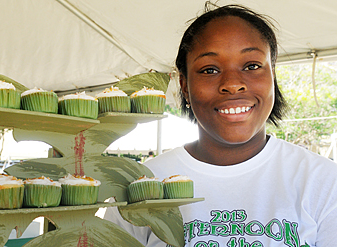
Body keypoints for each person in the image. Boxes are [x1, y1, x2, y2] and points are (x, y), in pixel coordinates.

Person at [104, 3, 337, 247]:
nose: (233, 83)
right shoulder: (142, 185)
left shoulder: (323, 181)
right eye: (210, 69)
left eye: (252, 66)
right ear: (184, 86)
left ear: (273, 75)